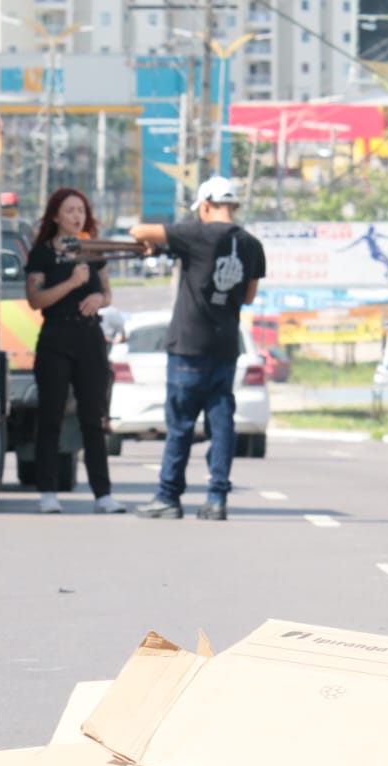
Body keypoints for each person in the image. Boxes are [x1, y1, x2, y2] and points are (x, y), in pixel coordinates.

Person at [126, 177, 265, 521]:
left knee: (181, 426)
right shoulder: (251, 245)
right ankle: (217, 498)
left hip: (188, 346)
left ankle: (168, 497)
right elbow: (248, 296)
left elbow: (137, 231)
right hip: (225, 348)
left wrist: (162, 245)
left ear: (205, 206)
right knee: (222, 426)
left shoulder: (195, 233)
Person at [24, 186, 125, 515]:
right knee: (51, 416)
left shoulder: (93, 250)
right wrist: (70, 283)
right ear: (55, 216)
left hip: (89, 336)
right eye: (69, 210)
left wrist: (99, 299)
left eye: (80, 210)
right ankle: (48, 492)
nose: (76, 216)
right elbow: (36, 300)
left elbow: (107, 293)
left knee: (93, 418)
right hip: (56, 335)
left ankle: (103, 494)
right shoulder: (42, 253)